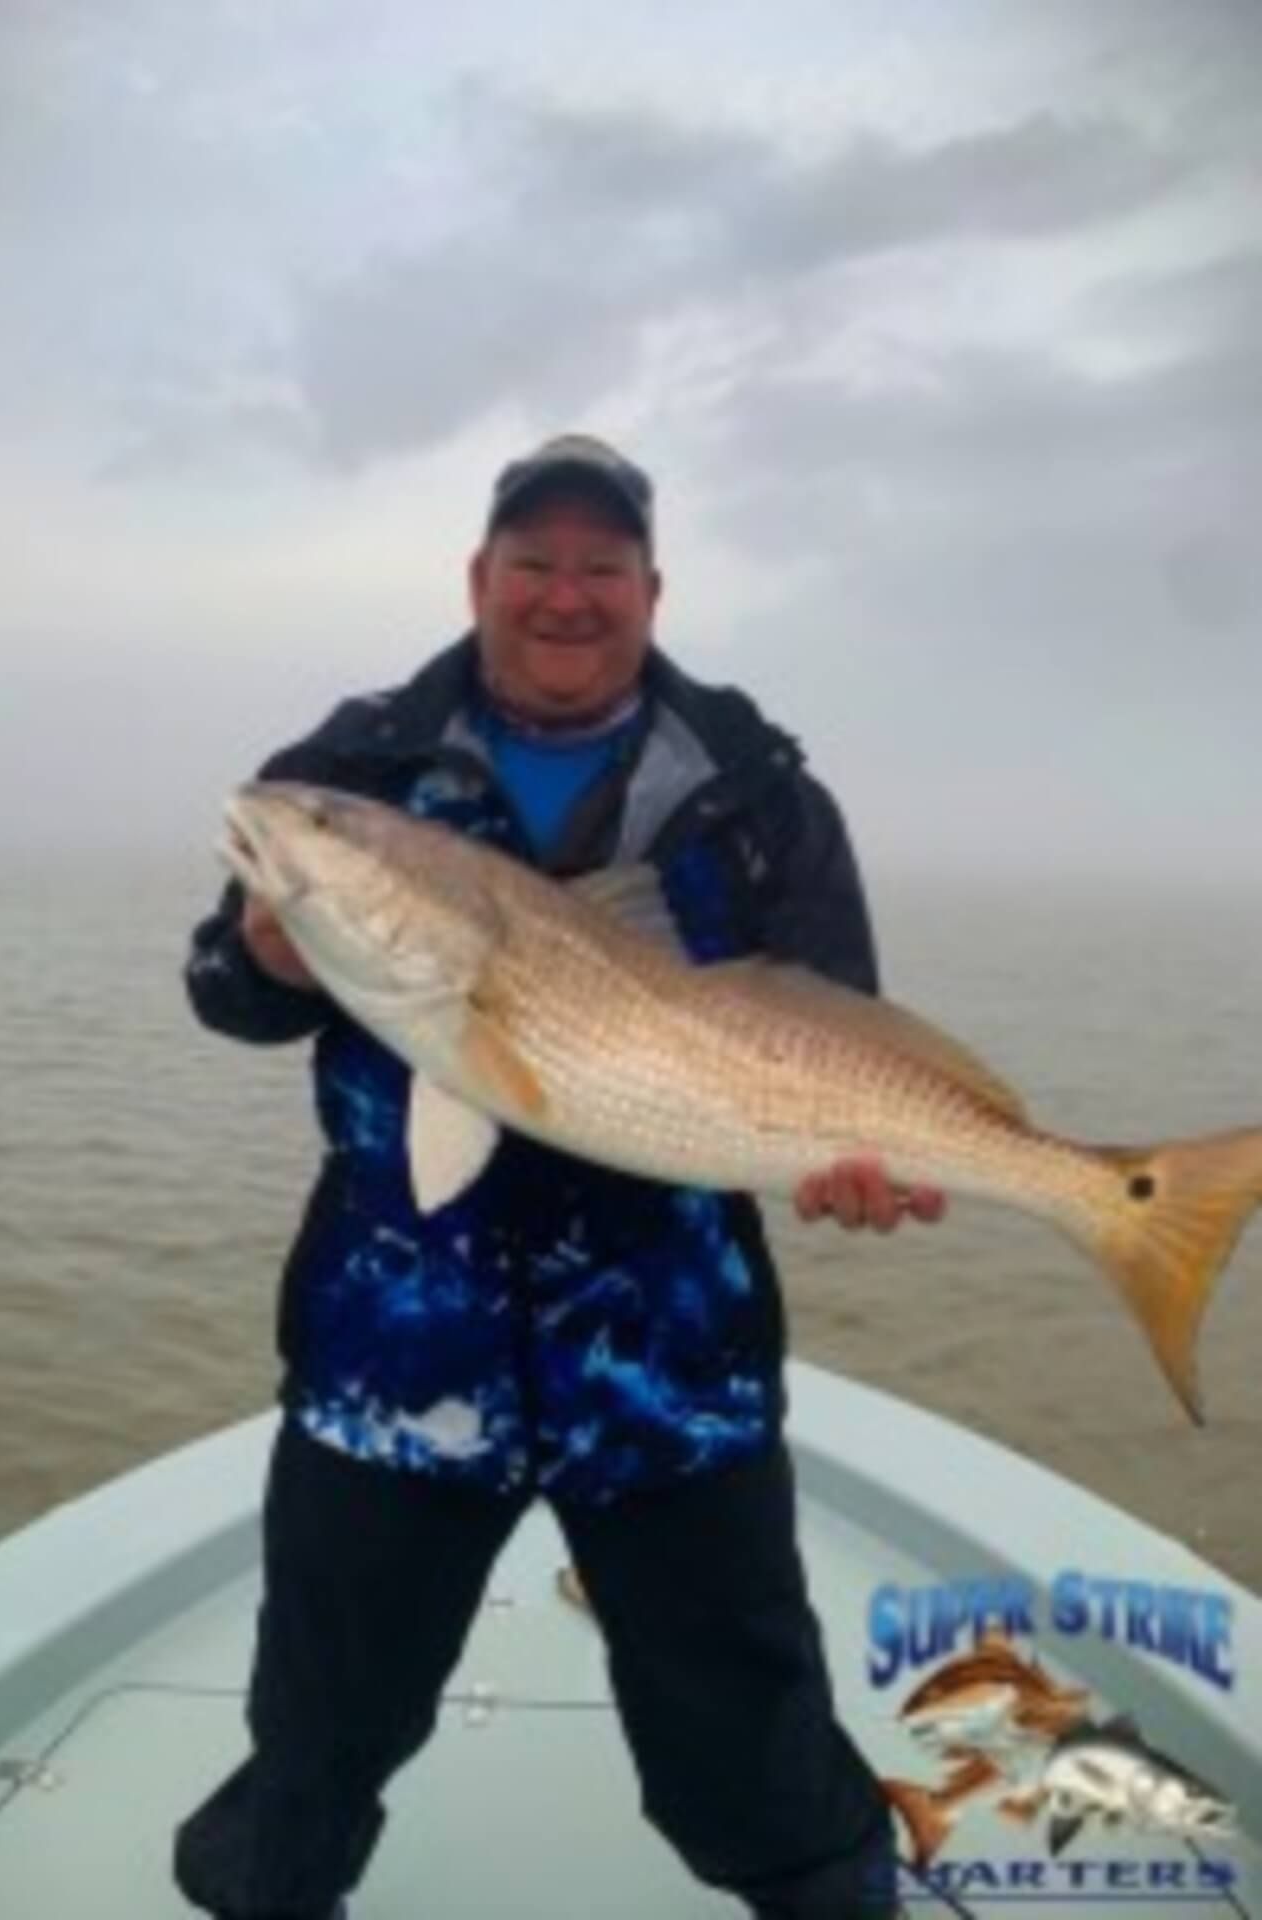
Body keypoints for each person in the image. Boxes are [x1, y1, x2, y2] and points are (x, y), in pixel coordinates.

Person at [174, 433, 947, 1920]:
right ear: (480, 578)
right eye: (534, 562)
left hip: (673, 1356)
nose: (566, 595)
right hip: (394, 1347)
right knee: (319, 1734)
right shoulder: (351, 774)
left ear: (654, 590)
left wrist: (853, 1163)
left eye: (602, 566)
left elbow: (837, 1019)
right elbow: (229, 990)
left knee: (755, 1750)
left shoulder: (756, 793)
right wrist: (265, 950)